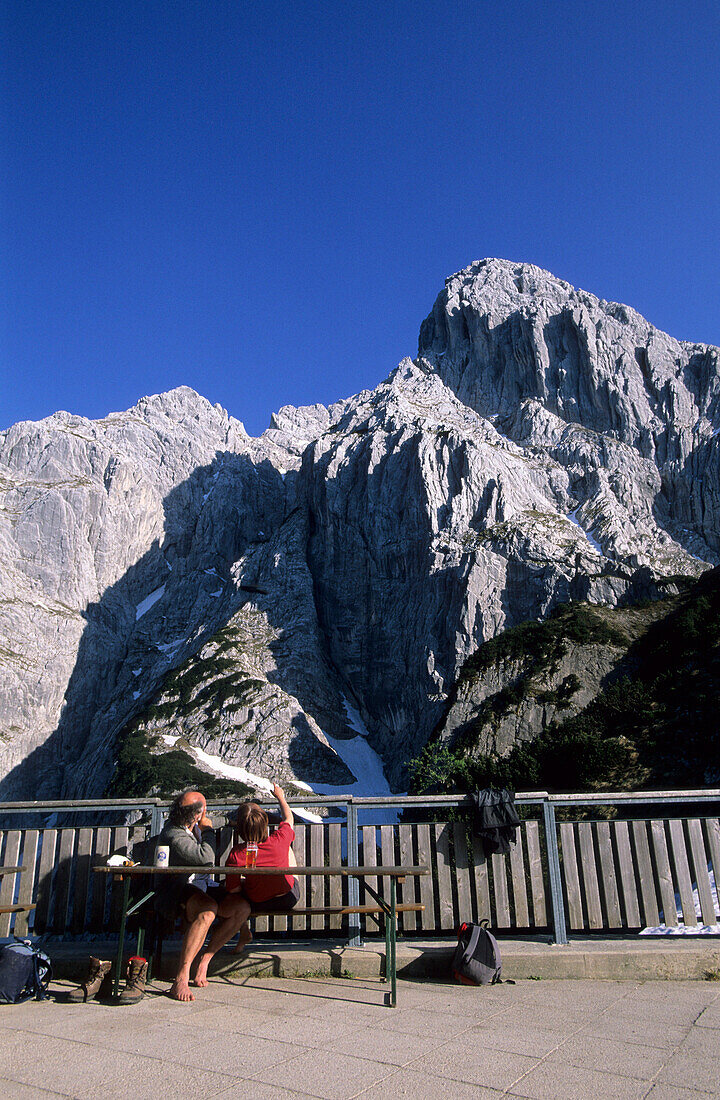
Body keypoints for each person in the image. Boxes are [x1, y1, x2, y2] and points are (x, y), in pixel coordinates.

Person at [154, 789, 251, 1001]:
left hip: (202, 885)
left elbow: (216, 820)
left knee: (242, 907)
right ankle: (181, 976)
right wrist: (208, 832)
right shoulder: (174, 833)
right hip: (176, 889)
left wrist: (236, 819)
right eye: (204, 810)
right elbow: (205, 858)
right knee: (208, 911)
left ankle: (205, 959)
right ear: (197, 814)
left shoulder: (191, 823)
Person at [225, 783, 299, 947]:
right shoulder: (279, 839)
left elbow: (233, 890)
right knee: (286, 847)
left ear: (240, 829)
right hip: (288, 897)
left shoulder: (237, 854)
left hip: (256, 901)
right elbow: (289, 819)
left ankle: (244, 932)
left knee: (237, 893)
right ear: (265, 823)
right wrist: (280, 797)